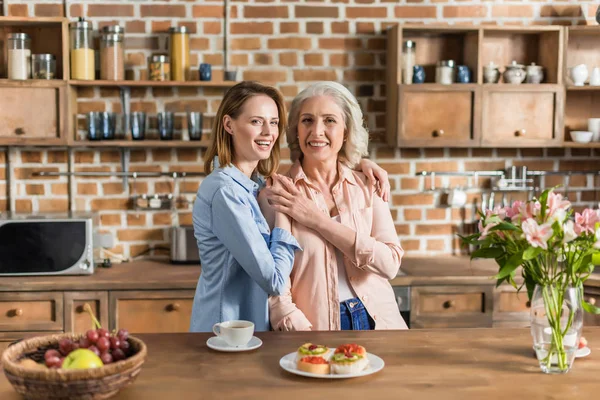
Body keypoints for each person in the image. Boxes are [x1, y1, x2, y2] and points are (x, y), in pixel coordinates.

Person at [265, 81, 408, 331]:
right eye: (307, 120)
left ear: (346, 131)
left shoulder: (368, 185)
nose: (317, 131)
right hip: (315, 327)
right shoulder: (279, 192)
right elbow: (274, 284)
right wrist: (295, 326)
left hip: (379, 322)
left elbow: (389, 264)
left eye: (329, 120)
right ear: (296, 131)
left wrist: (318, 221)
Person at [189, 81, 301, 332]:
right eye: (256, 122)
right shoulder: (225, 191)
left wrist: (362, 166)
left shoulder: (255, 186)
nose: (268, 132)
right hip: (224, 332)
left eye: (273, 123)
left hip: (249, 330)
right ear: (229, 125)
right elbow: (274, 280)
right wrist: (284, 215)